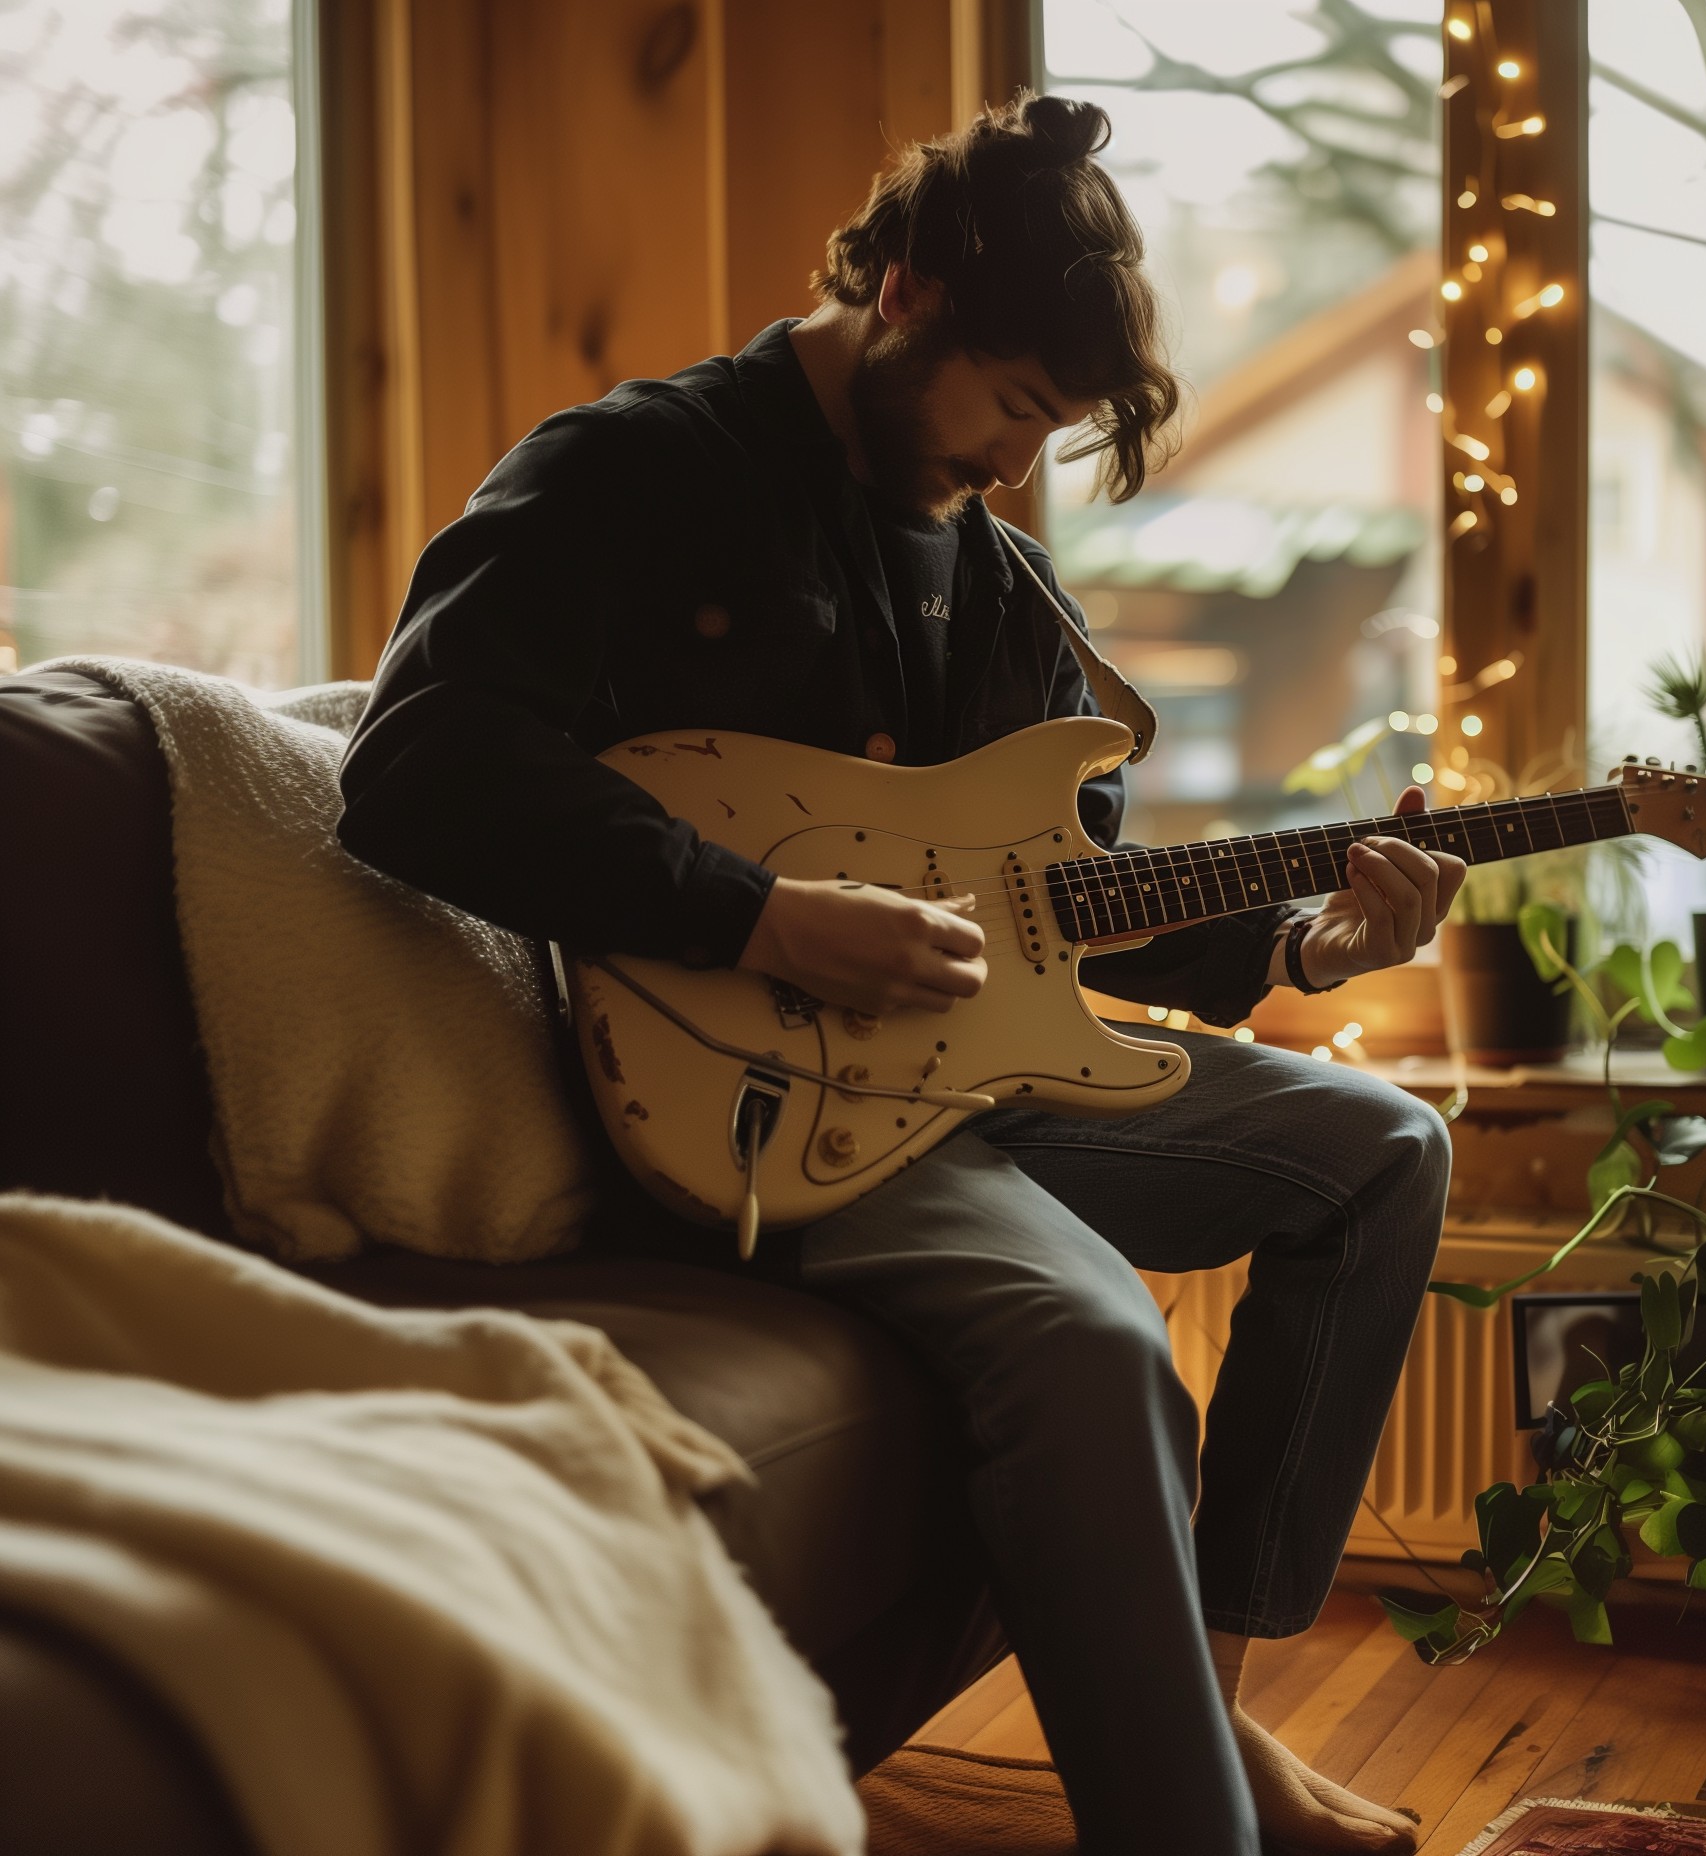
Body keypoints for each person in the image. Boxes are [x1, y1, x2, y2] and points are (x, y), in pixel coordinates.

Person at [337, 91, 1464, 1856]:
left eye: (1052, 431)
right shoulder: (640, 469)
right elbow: (413, 763)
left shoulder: (1002, 578)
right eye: (1014, 406)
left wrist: (1315, 940)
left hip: (989, 1063)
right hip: (760, 1086)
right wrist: (756, 918)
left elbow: (1072, 893)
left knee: (1387, 1152)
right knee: (1101, 1347)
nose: (1015, 463)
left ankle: (1213, 1723)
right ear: (910, 291)